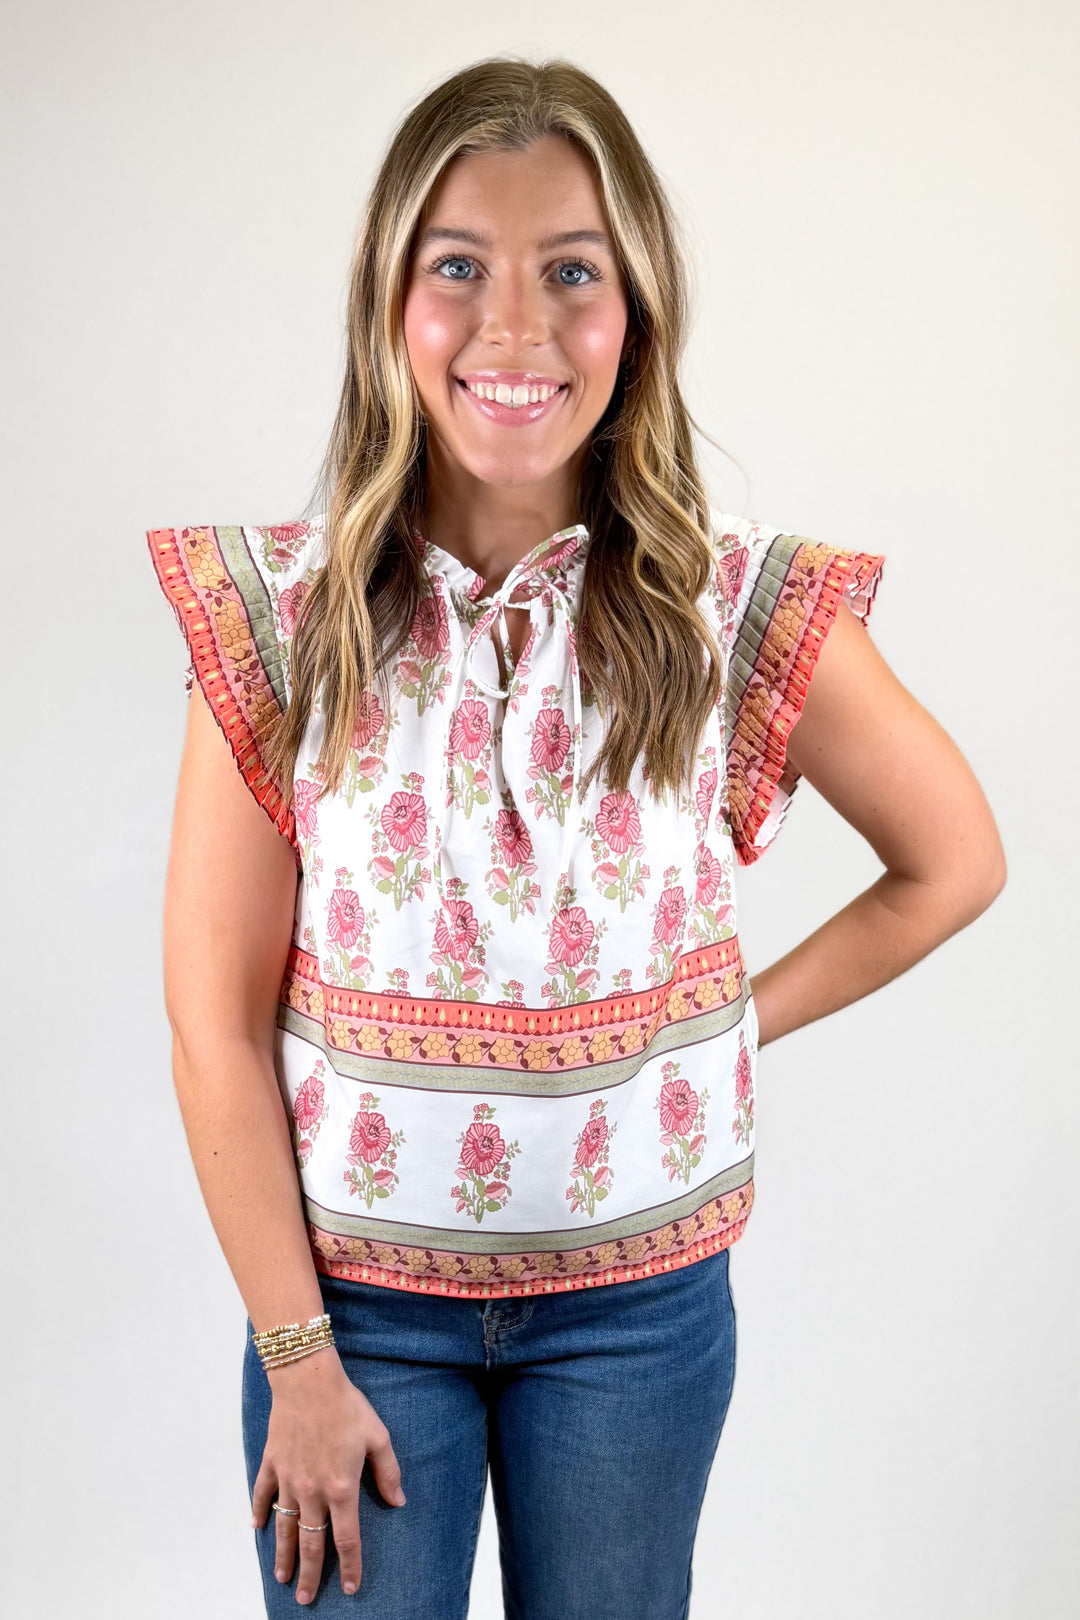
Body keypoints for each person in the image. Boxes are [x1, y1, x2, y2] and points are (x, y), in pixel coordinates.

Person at [146, 55, 1006, 1620]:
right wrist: (298, 1361)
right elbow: (211, 1021)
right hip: (354, 1320)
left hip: (638, 1321)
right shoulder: (282, 622)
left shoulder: (725, 609)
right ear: (388, 300)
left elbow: (953, 861)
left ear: (640, 310)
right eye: (458, 266)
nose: (517, 329)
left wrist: (735, 1022)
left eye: (574, 273)